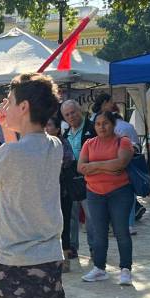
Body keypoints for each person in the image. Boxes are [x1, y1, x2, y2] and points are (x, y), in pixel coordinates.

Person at [0, 73, 66, 298]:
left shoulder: (10, 154)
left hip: (17, 263)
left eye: (9, 101)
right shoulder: (54, 145)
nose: (5, 107)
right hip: (50, 257)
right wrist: (6, 126)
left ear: (24, 107)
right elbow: (18, 157)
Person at [77, 111, 135, 285]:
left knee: (121, 231)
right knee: (99, 233)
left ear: (113, 124)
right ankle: (99, 268)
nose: (101, 127)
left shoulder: (123, 141)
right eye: (98, 124)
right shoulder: (89, 143)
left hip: (120, 192)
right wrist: (107, 166)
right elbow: (81, 167)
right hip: (94, 193)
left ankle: (125, 269)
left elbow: (121, 163)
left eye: (105, 123)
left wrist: (94, 166)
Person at [92, 93, 142, 234]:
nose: (102, 127)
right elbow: (135, 147)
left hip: (103, 176)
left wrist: (96, 166)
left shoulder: (92, 124)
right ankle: (127, 225)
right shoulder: (127, 128)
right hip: (119, 174)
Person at [61, 99, 96, 260]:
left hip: (90, 179)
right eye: (67, 114)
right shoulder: (65, 134)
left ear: (80, 110)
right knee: (71, 216)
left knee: (91, 216)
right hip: (70, 181)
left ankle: (94, 248)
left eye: (73, 112)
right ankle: (72, 247)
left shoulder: (92, 128)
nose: (71, 116)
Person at [45, 114, 76, 273]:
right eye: (45, 125)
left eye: (50, 125)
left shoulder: (63, 144)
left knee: (63, 224)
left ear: (58, 129)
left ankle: (65, 257)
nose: (46, 128)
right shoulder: (42, 144)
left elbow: (68, 162)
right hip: (46, 191)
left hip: (63, 191)